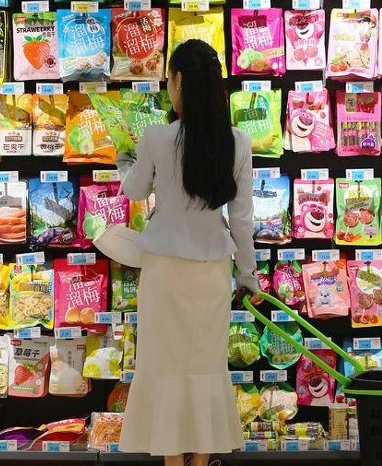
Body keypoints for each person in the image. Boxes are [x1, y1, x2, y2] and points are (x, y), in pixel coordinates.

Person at [116, 39, 261, 466]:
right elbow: (243, 219)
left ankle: (172, 461)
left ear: (178, 81)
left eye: (169, 81)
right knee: (205, 367)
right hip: (212, 269)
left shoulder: (157, 137)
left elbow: (136, 190)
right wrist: (248, 276)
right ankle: (201, 461)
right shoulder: (237, 141)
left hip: (163, 269)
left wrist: (125, 161)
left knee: (163, 366)